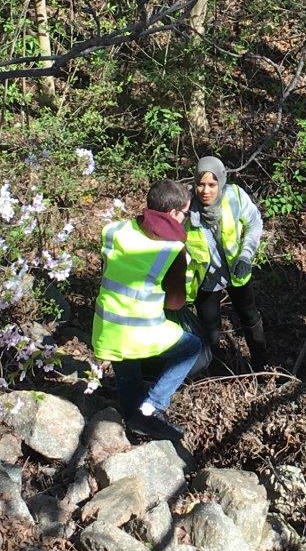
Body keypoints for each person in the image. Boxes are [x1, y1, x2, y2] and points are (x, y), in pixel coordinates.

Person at [92, 178, 207, 443]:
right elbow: (175, 303)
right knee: (192, 347)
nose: (184, 220)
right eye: (185, 214)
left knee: (128, 364)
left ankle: (134, 418)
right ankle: (153, 405)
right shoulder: (173, 249)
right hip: (140, 330)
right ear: (173, 213)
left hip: (106, 327)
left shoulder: (113, 230)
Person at [185, 156, 269, 371]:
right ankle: (216, 369)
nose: (205, 191)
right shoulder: (186, 206)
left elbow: (254, 223)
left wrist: (245, 256)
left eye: (212, 185)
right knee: (210, 327)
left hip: (236, 270)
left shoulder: (234, 196)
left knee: (249, 315)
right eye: (200, 184)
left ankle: (261, 364)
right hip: (205, 278)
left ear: (221, 182)